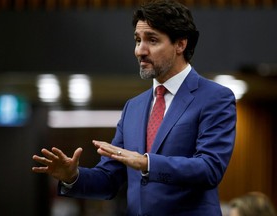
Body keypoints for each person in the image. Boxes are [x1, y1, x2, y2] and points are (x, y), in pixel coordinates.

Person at [32, 0, 237, 215]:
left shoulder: (215, 98)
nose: (140, 50)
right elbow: (109, 179)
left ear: (180, 44)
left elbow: (209, 168)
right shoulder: (134, 107)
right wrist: (72, 176)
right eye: (138, 40)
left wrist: (146, 162)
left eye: (152, 40)